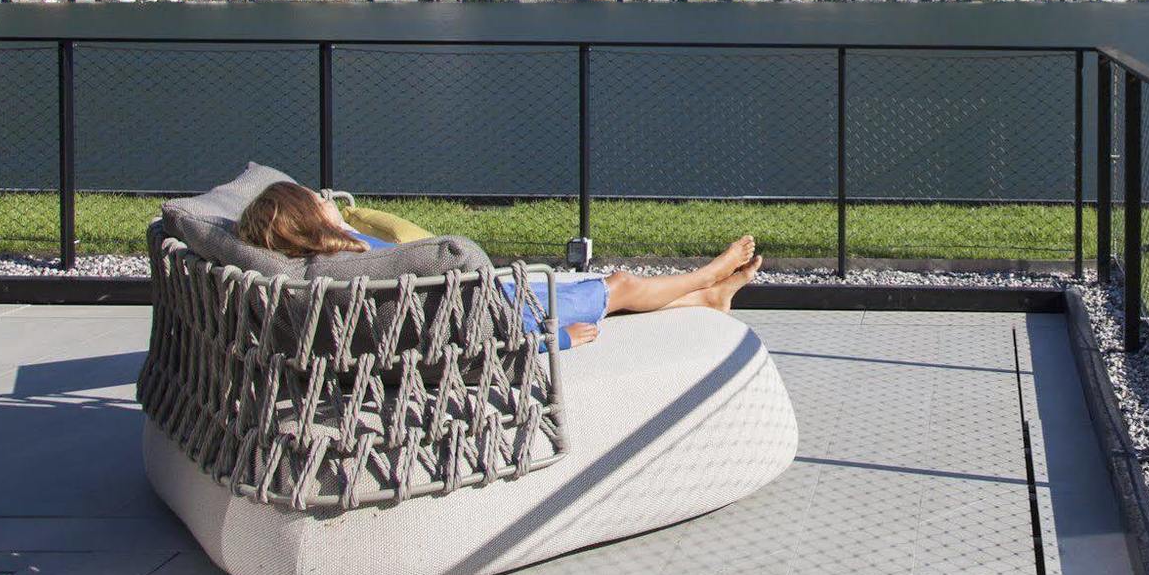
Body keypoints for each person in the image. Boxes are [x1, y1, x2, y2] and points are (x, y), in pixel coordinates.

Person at [235, 180, 761, 348]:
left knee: (599, 288)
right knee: (618, 285)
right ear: (310, 217)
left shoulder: (331, 263)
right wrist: (552, 339)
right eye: (319, 199)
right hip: (505, 312)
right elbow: (454, 340)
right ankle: (706, 277)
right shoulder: (357, 262)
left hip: (488, 297)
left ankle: (708, 298)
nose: (329, 198)